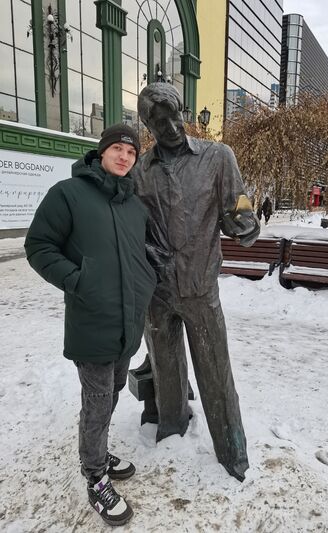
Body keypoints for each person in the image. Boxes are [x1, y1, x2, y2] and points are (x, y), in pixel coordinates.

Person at [24, 124, 157, 527]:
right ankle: (96, 476)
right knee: (98, 401)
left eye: (131, 153)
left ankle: (95, 453)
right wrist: (79, 280)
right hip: (92, 321)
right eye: (117, 149)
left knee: (111, 394)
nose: (124, 157)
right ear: (101, 152)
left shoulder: (134, 206)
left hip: (127, 323)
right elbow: (38, 245)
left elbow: (141, 254)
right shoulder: (68, 194)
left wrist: (147, 281)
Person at [133, 83, 260, 482]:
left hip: (200, 287)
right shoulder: (139, 171)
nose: (171, 127)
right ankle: (171, 432)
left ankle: (232, 451)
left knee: (216, 373)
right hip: (157, 292)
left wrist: (245, 224)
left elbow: (238, 205)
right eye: (159, 122)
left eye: (174, 116)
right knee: (166, 368)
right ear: (148, 126)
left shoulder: (218, 157)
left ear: (183, 112)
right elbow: (131, 226)